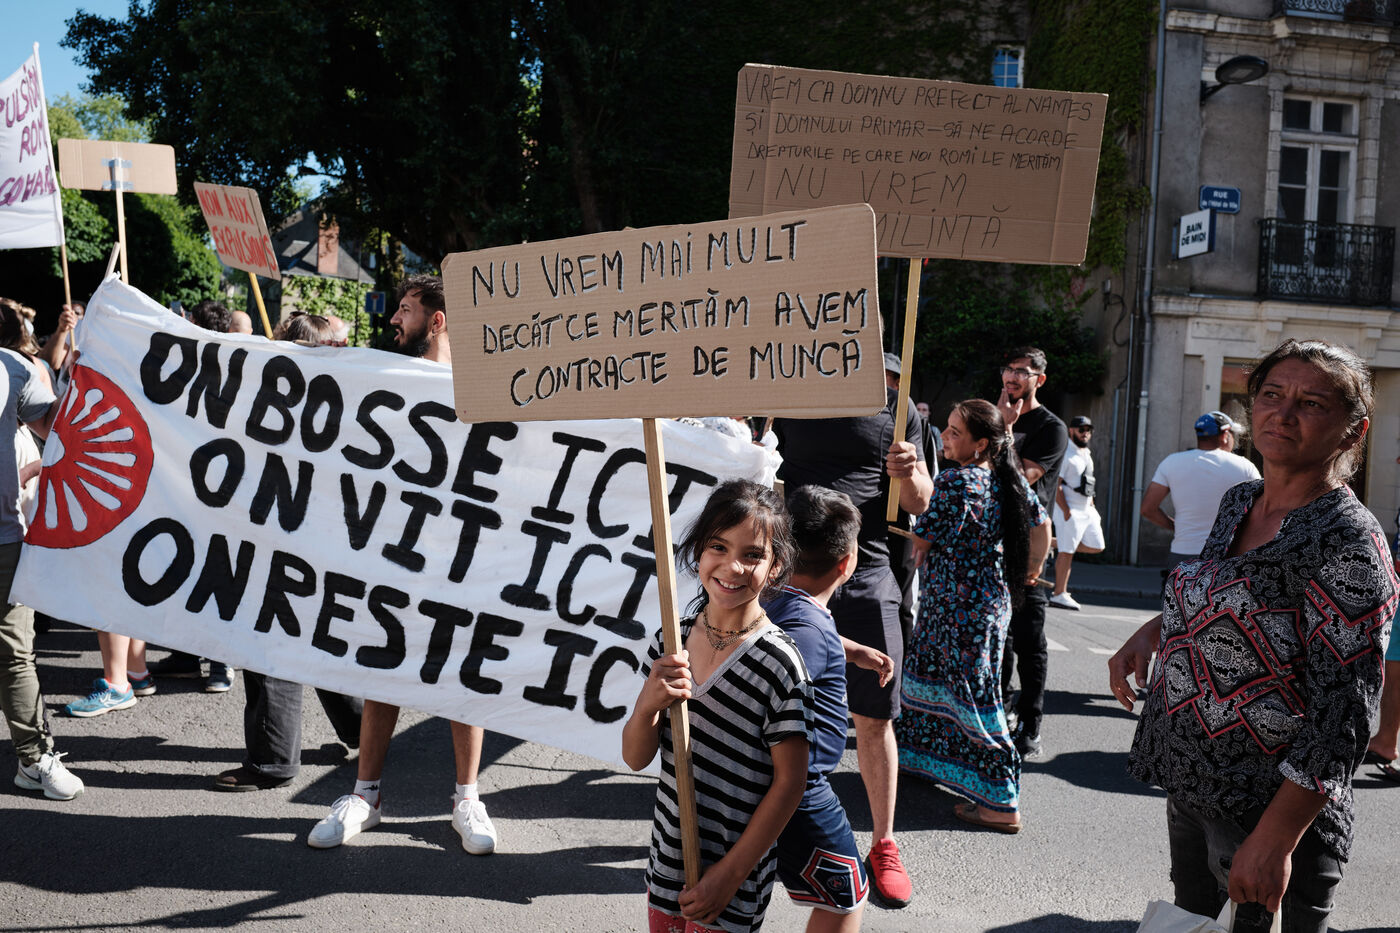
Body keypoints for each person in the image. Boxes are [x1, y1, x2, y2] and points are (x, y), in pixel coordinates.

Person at [1108, 339, 1396, 933]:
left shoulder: (1347, 542)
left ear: (1353, 430)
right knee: (1191, 922)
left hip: (1267, 812)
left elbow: (1344, 713)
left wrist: (1275, 841)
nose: (1283, 414)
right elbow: (1229, 586)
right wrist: (1158, 627)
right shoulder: (1242, 500)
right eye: (1271, 394)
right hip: (1194, 785)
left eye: (1311, 403)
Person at [306, 275, 497, 855]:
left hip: (461, 557)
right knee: (381, 666)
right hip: (393, 552)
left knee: (461, 673)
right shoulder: (386, 377)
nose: (394, 320)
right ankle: (365, 795)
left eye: (407, 310)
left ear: (437, 321)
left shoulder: (484, 389)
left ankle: (467, 798)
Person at [772, 370, 933, 909]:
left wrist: (908, 473)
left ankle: (884, 843)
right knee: (770, 704)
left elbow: (920, 501)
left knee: (875, 714)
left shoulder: (895, 405)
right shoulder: (783, 388)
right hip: (788, 568)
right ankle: (760, 826)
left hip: (865, 569)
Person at [622, 479, 811, 933]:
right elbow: (634, 757)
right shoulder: (671, 641)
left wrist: (730, 875)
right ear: (698, 551)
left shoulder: (780, 664)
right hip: (668, 864)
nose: (732, 566)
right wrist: (648, 704)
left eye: (753, 554)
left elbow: (790, 782)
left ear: (776, 566)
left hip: (734, 882)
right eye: (718, 547)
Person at [899, 400, 1049, 834]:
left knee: (970, 695)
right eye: (946, 429)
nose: (945, 437)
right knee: (941, 681)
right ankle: (924, 762)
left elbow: (922, 537)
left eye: (955, 432)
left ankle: (1001, 802)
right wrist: (1033, 569)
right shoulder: (1009, 481)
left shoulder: (955, 481)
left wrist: (922, 539)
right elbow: (1042, 527)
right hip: (987, 607)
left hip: (954, 610)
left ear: (981, 444)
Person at [769, 485, 894, 932]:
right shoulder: (811, 630)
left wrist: (850, 649)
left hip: (767, 784)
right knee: (847, 897)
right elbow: (795, 650)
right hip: (797, 792)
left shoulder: (772, 600)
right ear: (847, 562)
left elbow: (791, 636)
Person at [3, 343, 83, 799]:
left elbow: (55, 426)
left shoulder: (11, 366)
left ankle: (34, 760)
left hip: (3, 537)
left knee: (15, 653)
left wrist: (86, 378)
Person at [995, 347, 1066, 758]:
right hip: (990, 543)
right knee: (996, 637)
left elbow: (1023, 476)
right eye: (1008, 369)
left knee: (1028, 640)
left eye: (1022, 371)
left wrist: (1005, 430)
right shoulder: (992, 416)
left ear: (1040, 379)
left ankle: (1030, 721)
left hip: (1029, 546)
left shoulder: (1050, 428)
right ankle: (999, 709)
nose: (1013, 376)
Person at [1140, 409, 1260, 568]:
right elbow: (1261, 510)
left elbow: (1147, 509)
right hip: (1226, 555)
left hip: (1182, 553)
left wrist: (1177, 527)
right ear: (1225, 435)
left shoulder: (1171, 462)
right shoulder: (1244, 466)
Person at [1049, 415, 1105, 611]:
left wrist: (1091, 505)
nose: (1085, 433)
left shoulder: (1085, 453)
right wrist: (1066, 511)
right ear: (1071, 431)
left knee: (1097, 545)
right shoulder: (1066, 454)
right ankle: (1059, 594)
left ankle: (1049, 542)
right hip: (1070, 509)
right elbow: (1056, 485)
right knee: (1067, 552)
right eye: (1081, 430)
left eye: (1089, 430)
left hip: (1087, 509)